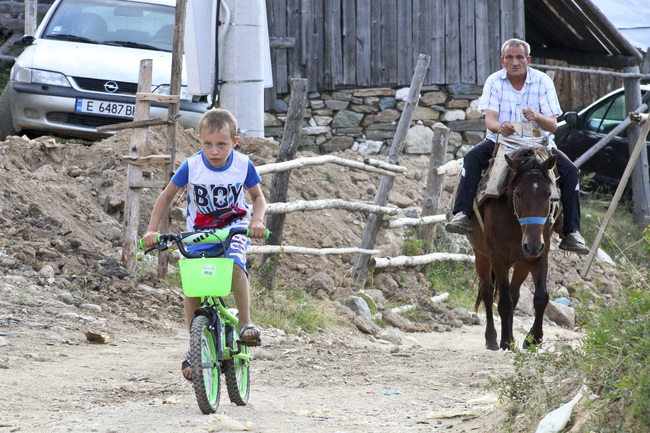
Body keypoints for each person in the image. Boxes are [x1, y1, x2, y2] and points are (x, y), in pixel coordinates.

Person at [142, 108, 267, 380]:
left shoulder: (243, 164)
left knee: (235, 264)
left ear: (234, 142)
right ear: (199, 141)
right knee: (192, 283)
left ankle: (245, 323)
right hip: (198, 234)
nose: (214, 151)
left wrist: (257, 221)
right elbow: (166, 196)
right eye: (207, 144)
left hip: (233, 230)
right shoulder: (192, 166)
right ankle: (194, 344)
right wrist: (152, 229)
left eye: (221, 144)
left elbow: (258, 197)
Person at [445, 38, 589, 255]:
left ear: (528, 60)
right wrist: (500, 126)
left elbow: (552, 125)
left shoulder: (542, 81)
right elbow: (490, 121)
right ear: (502, 61)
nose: (515, 62)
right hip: (501, 143)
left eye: (519, 57)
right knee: (472, 158)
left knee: (570, 171)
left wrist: (537, 116)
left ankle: (571, 232)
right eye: (509, 57)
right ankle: (462, 213)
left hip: (539, 145)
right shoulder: (494, 81)